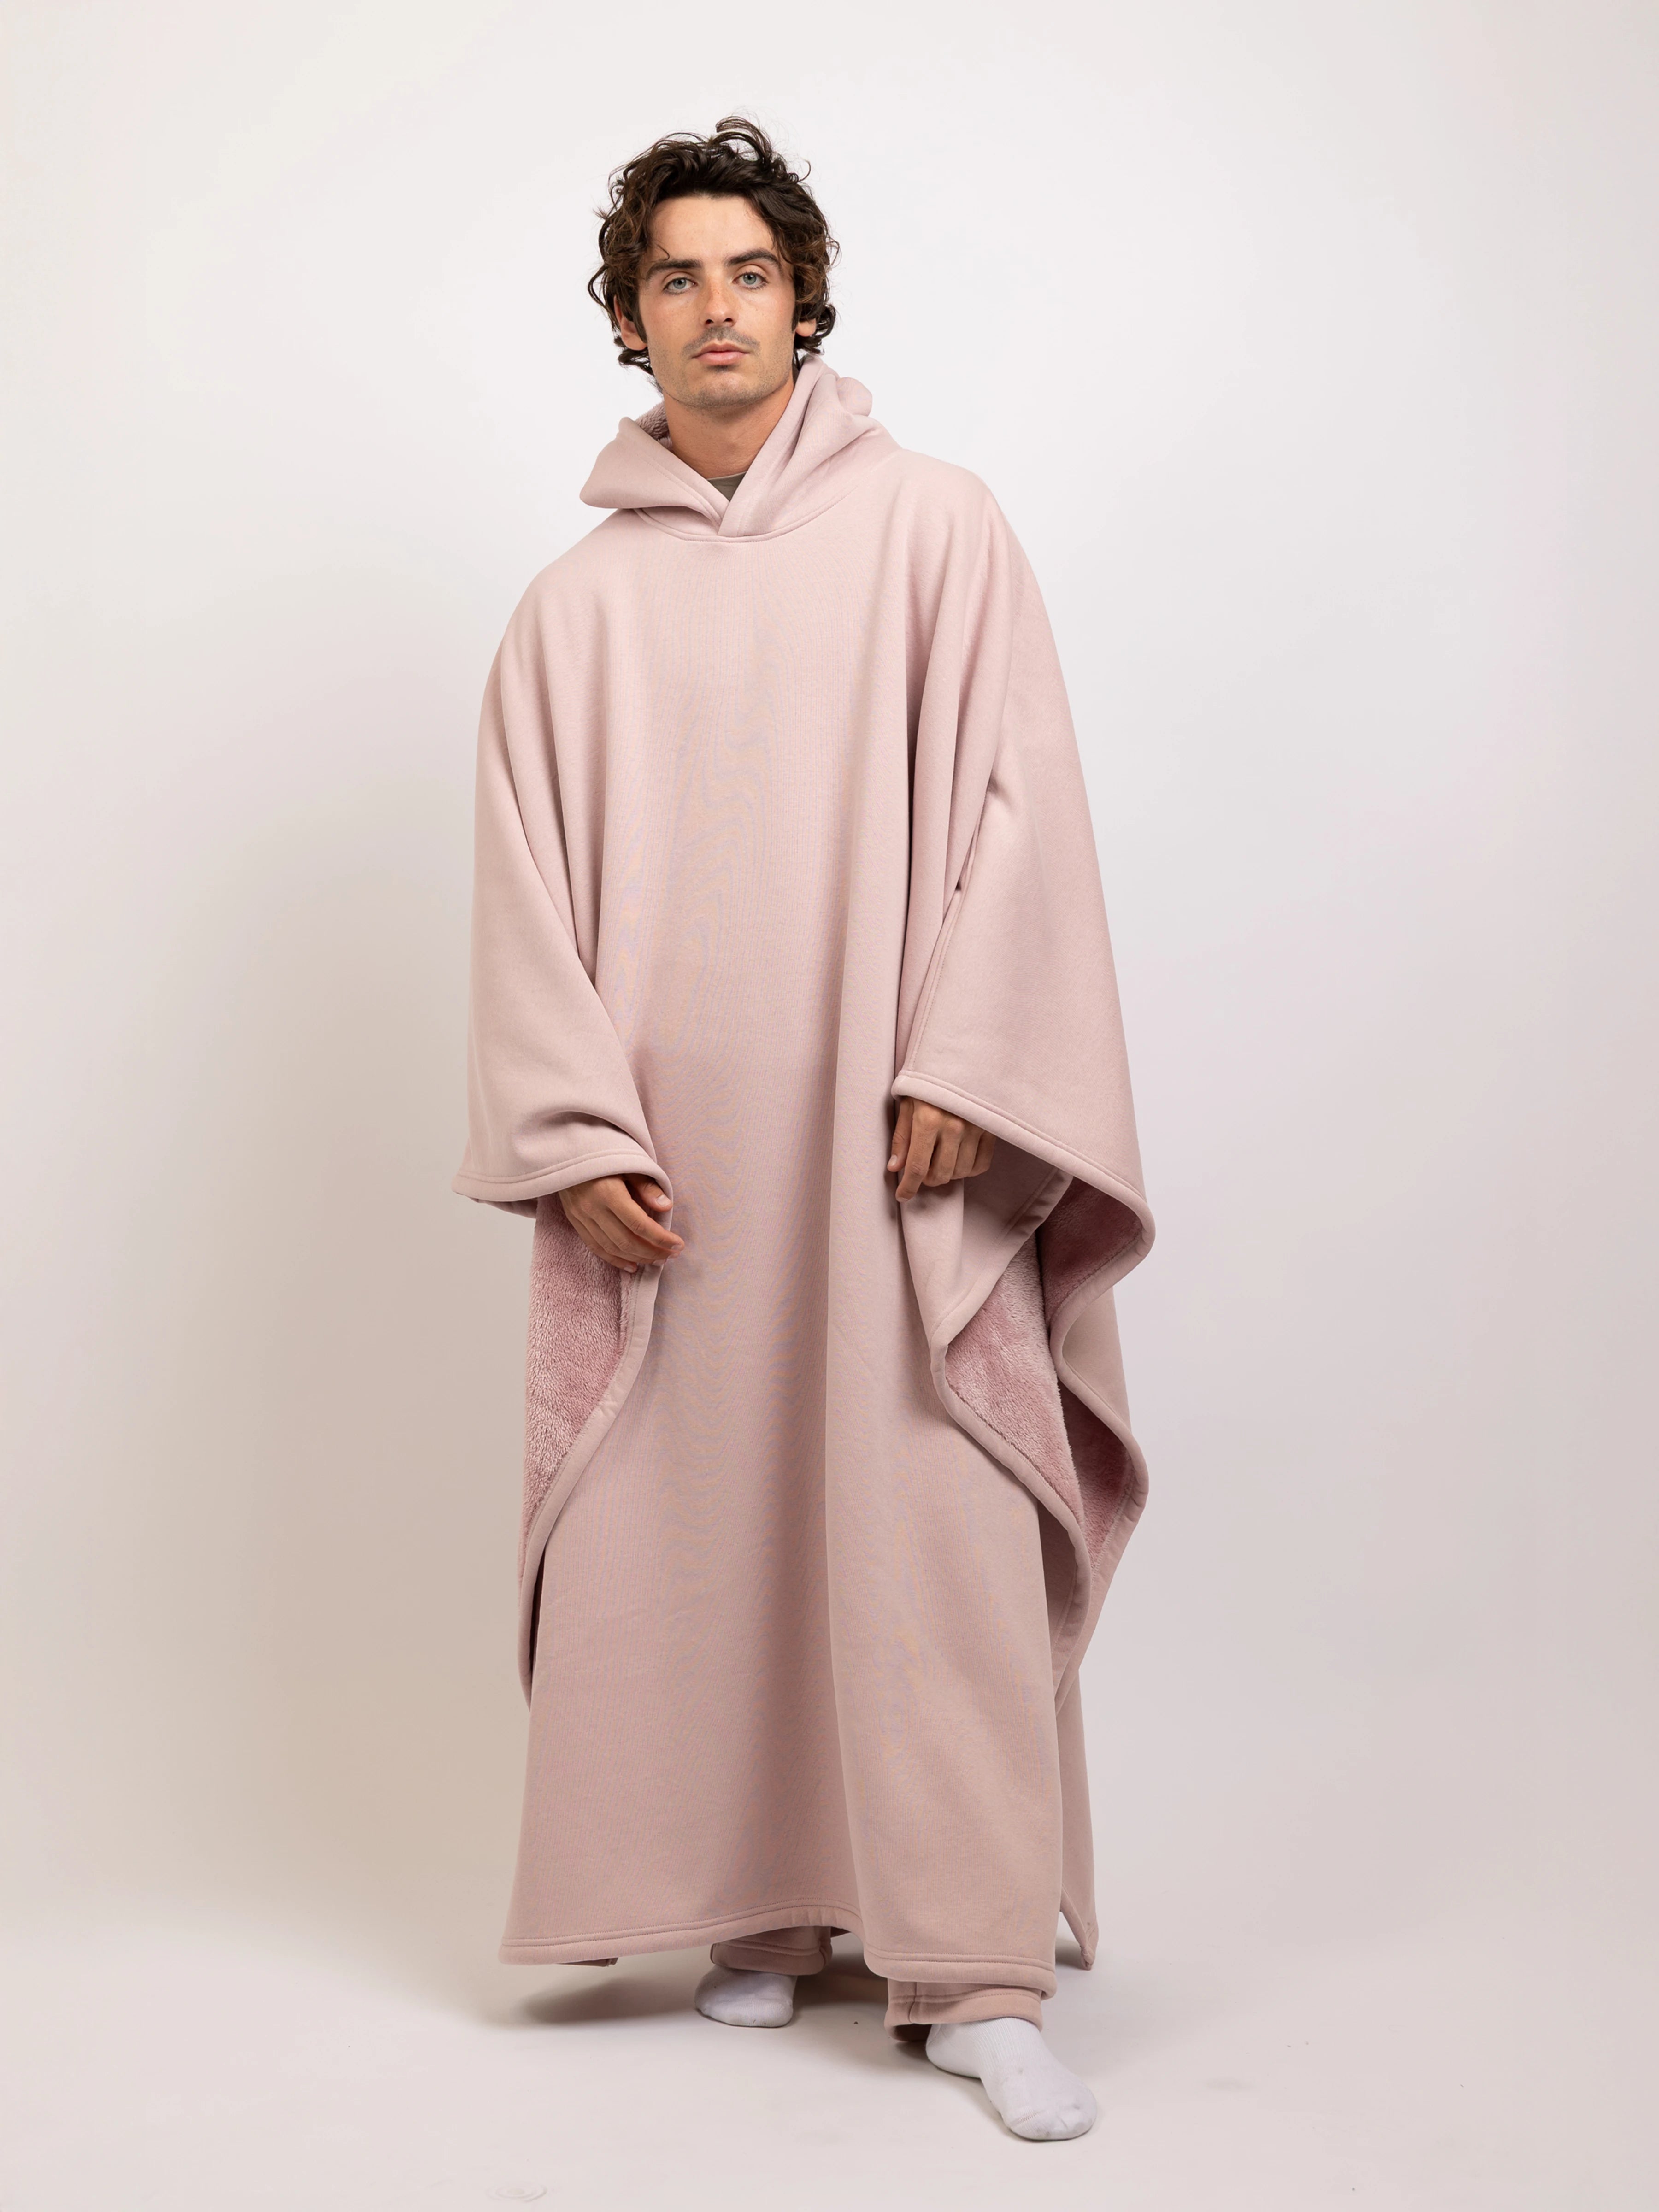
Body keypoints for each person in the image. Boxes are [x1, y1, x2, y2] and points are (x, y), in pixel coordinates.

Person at [455, 118, 1153, 2141]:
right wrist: (573, 1129)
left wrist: (970, 1069)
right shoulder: (571, 614)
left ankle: (974, 1968)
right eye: (674, 278)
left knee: (929, 1521)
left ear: (805, 299)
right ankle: (757, 1900)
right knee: (705, 1530)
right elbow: (521, 896)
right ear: (629, 320)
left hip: (895, 1147)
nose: (716, 310)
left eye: (749, 273)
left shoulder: (938, 529)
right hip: (680, 1171)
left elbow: (1022, 804)